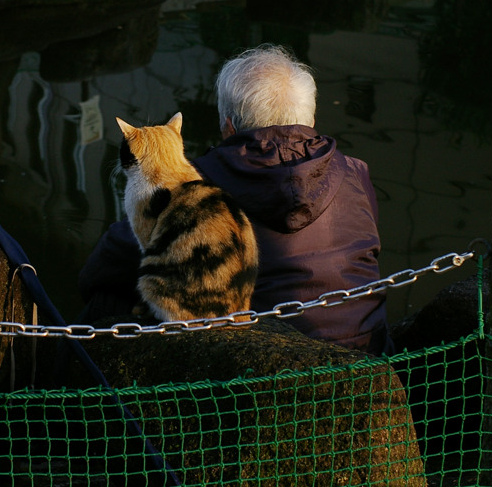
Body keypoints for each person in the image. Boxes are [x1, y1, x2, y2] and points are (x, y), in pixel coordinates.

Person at [78, 44, 393, 355]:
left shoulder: (197, 185)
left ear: (228, 127)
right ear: (310, 120)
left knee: (108, 300)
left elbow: (107, 264)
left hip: (259, 360)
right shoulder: (355, 173)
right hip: (366, 354)